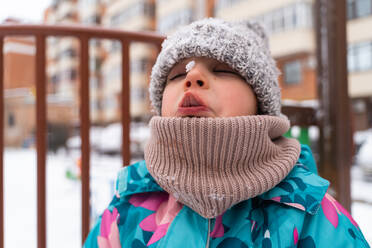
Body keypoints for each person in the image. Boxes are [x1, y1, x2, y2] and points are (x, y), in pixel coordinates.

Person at [84, 18, 369, 248]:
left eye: (223, 69)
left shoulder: (308, 214)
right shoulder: (128, 205)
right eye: (176, 75)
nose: (192, 77)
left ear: (260, 104)